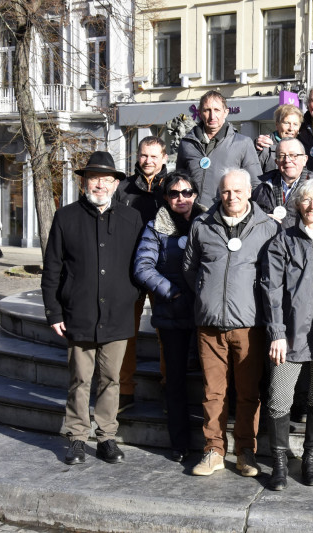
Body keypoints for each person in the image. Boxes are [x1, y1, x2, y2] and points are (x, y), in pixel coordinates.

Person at [41, 151, 143, 465]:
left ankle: (107, 438)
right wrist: (54, 312)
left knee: (111, 379)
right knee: (79, 379)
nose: (100, 184)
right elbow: (52, 269)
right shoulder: (66, 216)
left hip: (118, 315)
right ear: (85, 181)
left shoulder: (132, 219)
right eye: (94, 178)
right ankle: (75, 437)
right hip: (79, 314)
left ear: (116, 184)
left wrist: (130, 298)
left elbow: (142, 265)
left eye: (106, 178)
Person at [182, 168, 280, 478]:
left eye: (238, 191)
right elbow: (189, 268)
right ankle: (213, 450)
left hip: (250, 325)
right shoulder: (202, 225)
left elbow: (273, 277)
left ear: (249, 192)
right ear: (219, 193)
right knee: (213, 391)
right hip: (209, 324)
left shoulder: (267, 227)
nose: (231, 196)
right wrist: (205, 294)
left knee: (249, 392)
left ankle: (246, 451)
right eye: (226, 191)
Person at [261, 179, 313, 491]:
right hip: (289, 335)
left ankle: (309, 460)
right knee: (279, 400)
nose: (312, 207)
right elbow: (272, 290)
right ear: (298, 205)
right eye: (306, 201)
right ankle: (279, 464)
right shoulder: (283, 241)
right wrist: (277, 332)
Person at [133, 172, 203, 464]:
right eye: (174, 194)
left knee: (212, 381)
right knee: (174, 381)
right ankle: (180, 442)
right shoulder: (155, 227)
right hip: (172, 314)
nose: (181, 198)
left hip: (204, 314)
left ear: (195, 195)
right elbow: (143, 267)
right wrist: (172, 293)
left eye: (187, 192)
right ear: (166, 198)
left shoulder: (208, 221)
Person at [115, 136, 170, 412]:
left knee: (165, 331)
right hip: (129, 269)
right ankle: (125, 388)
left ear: (164, 158)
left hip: (162, 270)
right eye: (143, 155)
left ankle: (167, 385)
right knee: (128, 332)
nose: (148, 161)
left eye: (153, 156)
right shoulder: (123, 188)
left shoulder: (173, 188)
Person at [176, 90, 262, 208]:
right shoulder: (186, 144)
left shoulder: (243, 143)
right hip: (192, 215)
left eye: (217, 110)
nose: (212, 116)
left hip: (226, 214)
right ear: (200, 113)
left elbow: (256, 186)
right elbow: (178, 182)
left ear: (225, 112)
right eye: (207, 110)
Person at [252, 137, 313, 231]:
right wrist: (261, 220)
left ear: (304, 159)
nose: (287, 160)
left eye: (293, 155)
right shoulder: (260, 186)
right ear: (276, 161)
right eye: (282, 156)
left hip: (303, 244)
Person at [255, 84, 313, 174]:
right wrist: (257, 143)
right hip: (301, 187)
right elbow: (281, 138)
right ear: (307, 105)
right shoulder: (300, 128)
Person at [257, 105, 305, 174]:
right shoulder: (264, 145)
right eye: (286, 123)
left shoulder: (303, 146)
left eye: (295, 124)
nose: (291, 129)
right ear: (277, 125)